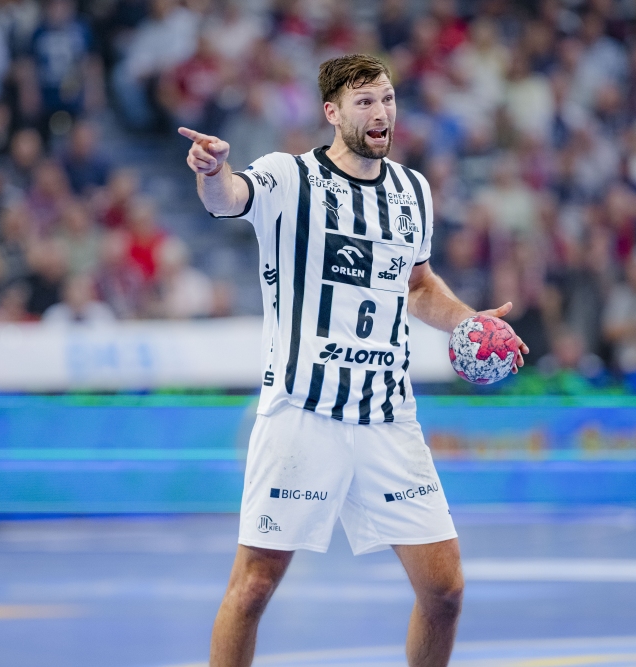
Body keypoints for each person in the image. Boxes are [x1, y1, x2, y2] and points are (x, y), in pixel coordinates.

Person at [179, 54, 528, 667]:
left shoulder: (412, 191)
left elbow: (418, 286)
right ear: (332, 112)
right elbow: (228, 197)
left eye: (387, 99)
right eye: (364, 101)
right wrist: (212, 171)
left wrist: (468, 321)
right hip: (302, 413)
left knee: (444, 591)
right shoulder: (288, 177)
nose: (380, 112)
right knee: (254, 586)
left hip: (387, 417)